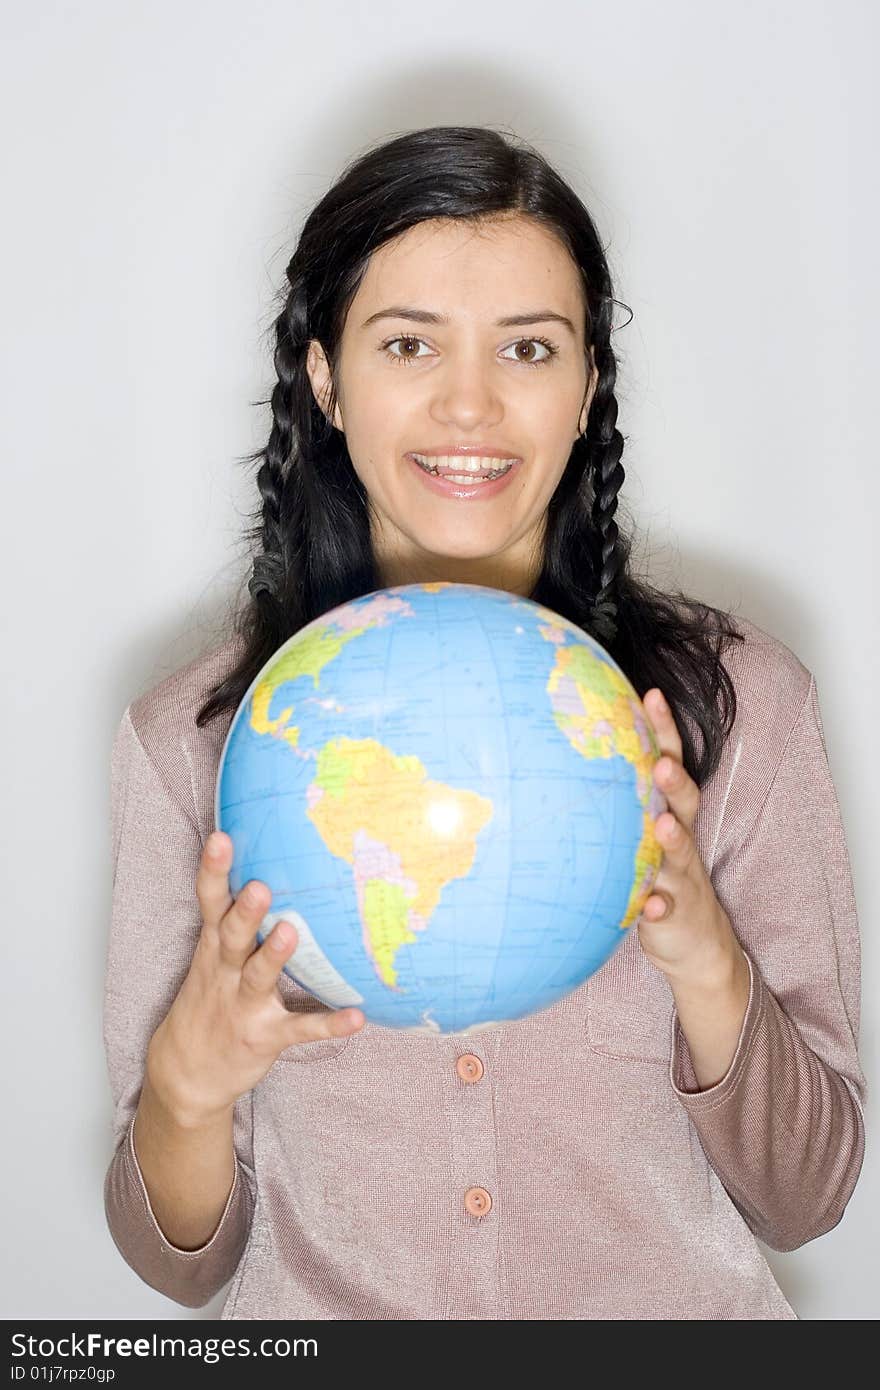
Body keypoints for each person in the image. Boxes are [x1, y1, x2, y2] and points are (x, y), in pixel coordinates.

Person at [102, 125, 867, 1320]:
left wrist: (703, 951)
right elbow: (179, 1266)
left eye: (528, 348)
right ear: (324, 379)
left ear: (586, 389)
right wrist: (186, 1090)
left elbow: (810, 1196)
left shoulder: (739, 705)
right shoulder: (192, 744)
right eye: (407, 343)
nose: (470, 404)